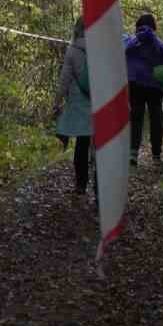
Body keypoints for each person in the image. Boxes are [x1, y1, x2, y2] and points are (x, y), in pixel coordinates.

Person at [53, 18, 97, 198]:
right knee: (100, 146)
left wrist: (57, 101)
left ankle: (80, 184)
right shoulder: (100, 49)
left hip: (79, 102)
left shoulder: (72, 51)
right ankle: (100, 188)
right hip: (99, 101)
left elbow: (64, 80)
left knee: (82, 143)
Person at [124, 11, 163, 166]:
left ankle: (132, 154)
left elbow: (122, 54)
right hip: (154, 85)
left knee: (136, 118)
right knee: (155, 119)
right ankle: (156, 156)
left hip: (135, 83)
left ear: (138, 26)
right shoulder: (158, 43)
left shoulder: (131, 41)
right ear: (153, 26)